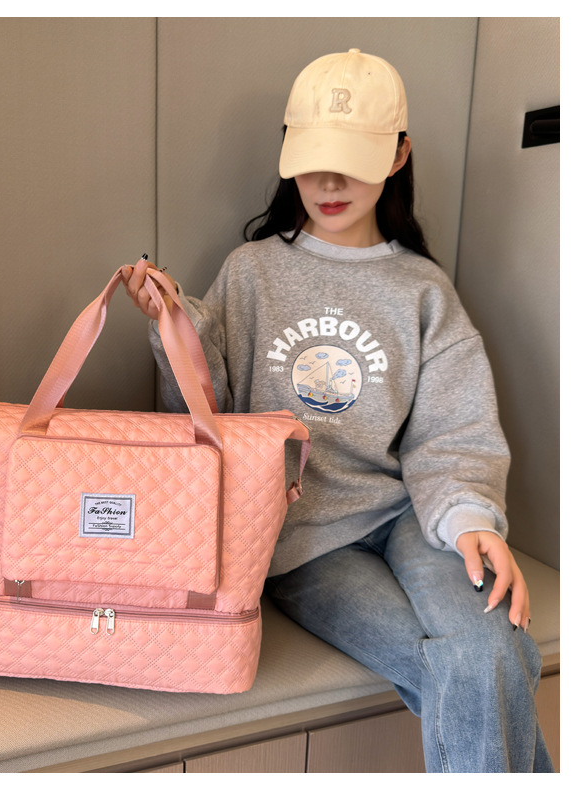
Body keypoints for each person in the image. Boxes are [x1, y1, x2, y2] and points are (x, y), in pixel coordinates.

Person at [121, 49, 553, 773]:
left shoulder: (423, 290)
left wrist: (470, 519)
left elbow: (453, 429)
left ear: (399, 155)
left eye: (353, 162)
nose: (328, 183)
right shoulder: (251, 272)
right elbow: (205, 415)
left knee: (489, 645)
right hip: (302, 540)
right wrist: (173, 329)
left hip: (411, 516)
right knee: (488, 662)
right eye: (313, 160)